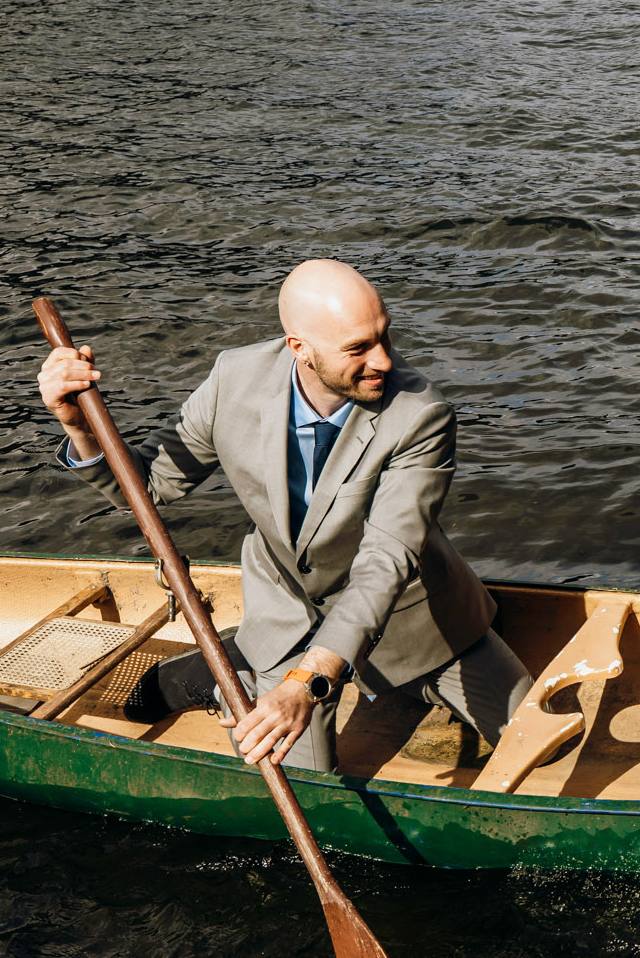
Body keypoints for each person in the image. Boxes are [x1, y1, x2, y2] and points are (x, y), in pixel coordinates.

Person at [36, 259, 532, 772]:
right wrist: (79, 427)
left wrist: (308, 681)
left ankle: (380, 681)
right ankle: (229, 673)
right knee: (299, 779)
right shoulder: (235, 378)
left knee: (542, 740)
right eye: (358, 349)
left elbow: (387, 559)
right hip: (287, 613)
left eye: (384, 336)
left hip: (409, 617)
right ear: (299, 348)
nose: (383, 360)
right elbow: (149, 486)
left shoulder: (422, 414)